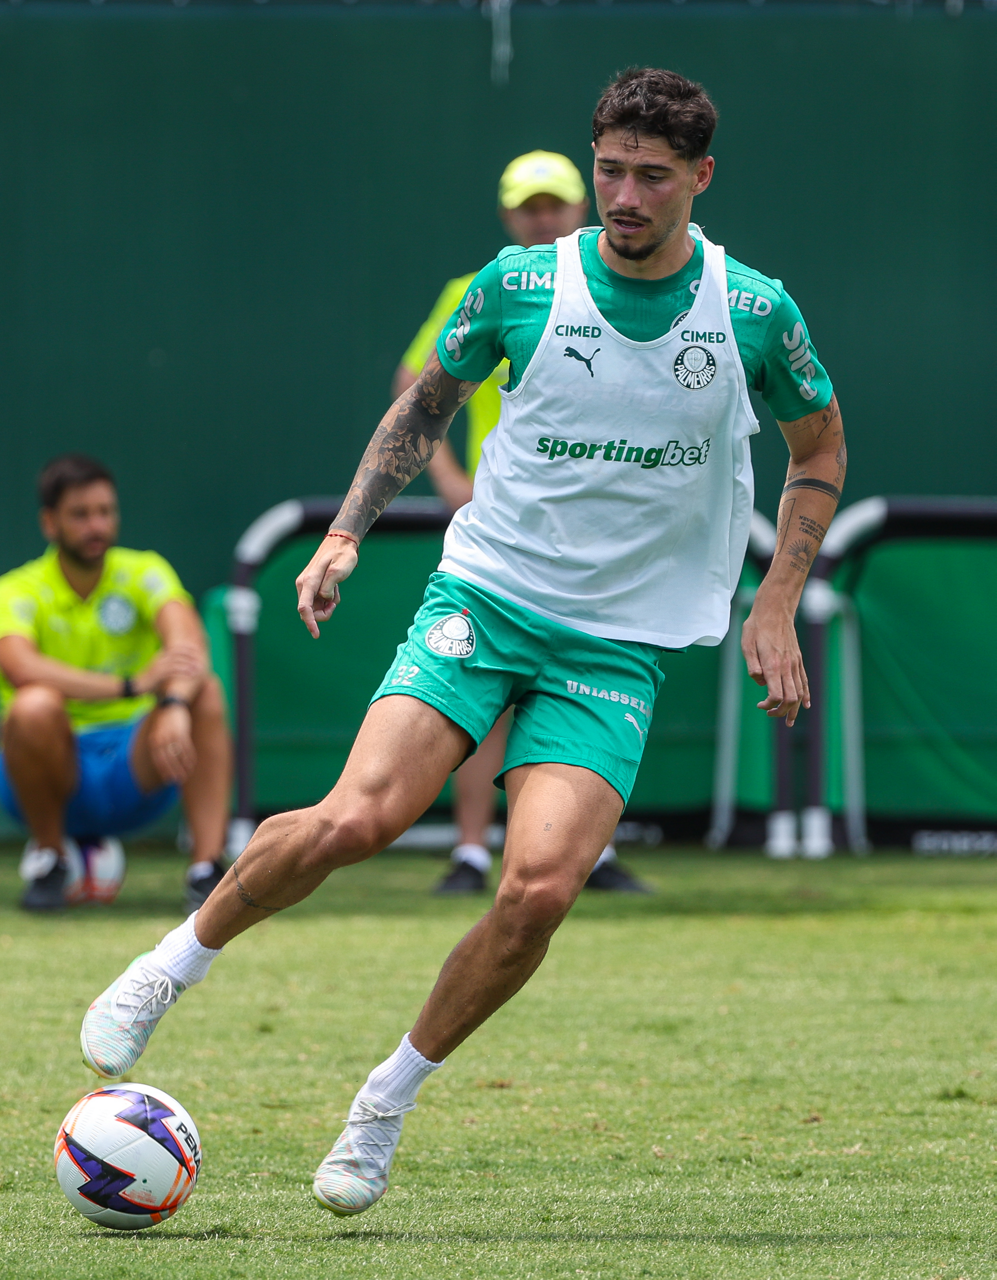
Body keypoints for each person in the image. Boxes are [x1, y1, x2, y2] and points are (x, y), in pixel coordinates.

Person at [80, 68, 845, 1222]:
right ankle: (170, 963)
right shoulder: (520, 283)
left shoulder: (752, 311)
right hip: (487, 598)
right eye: (608, 170)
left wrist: (775, 598)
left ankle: (382, 1102)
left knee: (536, 889)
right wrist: (345, 533)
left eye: (650, 176)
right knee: (356, 819)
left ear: (699, 176)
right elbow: (423, 404)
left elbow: (818, 447)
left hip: (615, 643)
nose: (623, 195)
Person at [395, 150, 647, 895]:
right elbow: (416, 385)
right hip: (498, 531)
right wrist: (449, 479)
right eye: (529, 207)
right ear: (509, 215)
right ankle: (472, 850)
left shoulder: (624, 286)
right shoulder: (485, 286)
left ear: (580, 207)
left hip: (594, 533)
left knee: (589, 684)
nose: (542, 218)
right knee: (482, 690)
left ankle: (584, 851)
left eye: (553, 204)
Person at [0, 454, 232, 913]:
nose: (96, 525)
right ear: (49, 523)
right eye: (80, 514)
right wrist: (130, 685)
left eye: (105, 512)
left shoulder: (144, 570)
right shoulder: (13, 589)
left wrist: (174, 704)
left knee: (207, 692)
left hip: (132, 765)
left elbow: (189, 646)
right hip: (44, 774)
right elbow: (19, 667)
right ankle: (51, 859)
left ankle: (206, 872)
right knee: (33, 706)